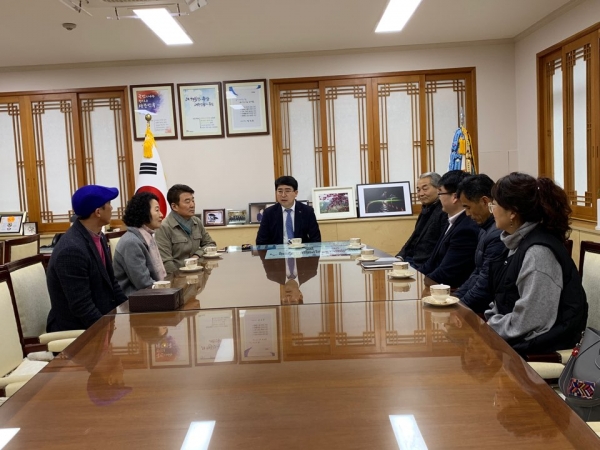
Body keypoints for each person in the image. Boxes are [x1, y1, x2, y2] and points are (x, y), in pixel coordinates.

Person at [485, 172, 587, 355]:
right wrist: (491, 320)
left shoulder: (537, 253)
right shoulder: (515, 242)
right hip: (517, 336)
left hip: (541, 348)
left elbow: (530, 322)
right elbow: (503, 296)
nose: (492, 210)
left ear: (513, 213)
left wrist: (490, 326)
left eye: (495, 204)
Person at [47, 185, 127, 332]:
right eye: (109, 203)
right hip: (78, 333)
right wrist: (108, 330)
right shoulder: (71, 250)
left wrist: (130, 314)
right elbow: (82, 306)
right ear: (98, 212)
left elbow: (112, 284)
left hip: (103, 321)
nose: (112, 207)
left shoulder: (98, 236)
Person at [419, 170, 480, 288]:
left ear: (455, 197)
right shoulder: (452, 220)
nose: (439, 198)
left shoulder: (466, 229)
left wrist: (422, 283)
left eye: (440, 193)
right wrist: (414, 276)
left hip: (450, 291)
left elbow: (446, 272)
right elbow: (431, 262)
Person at [454, 174, 504, 313]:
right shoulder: (484, 228)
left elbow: (485, 286)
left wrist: (458, 308)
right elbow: (477, 272)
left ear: (485, 201)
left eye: (468, 207)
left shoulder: (498, 234)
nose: (467, 214)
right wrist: (455, 299)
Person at [113, 192, 167, 296]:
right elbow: (143, 283)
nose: (161, 214)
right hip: (134, 301)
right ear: (144, 212)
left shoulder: (147, 235)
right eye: (157, 210)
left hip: (151, 295)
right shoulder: (131, 242)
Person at [155, 184, 216, 274]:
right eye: (187, 201)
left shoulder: (196, 221)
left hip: (198, 276)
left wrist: (197, 255)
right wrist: (181, 279)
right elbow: (166, 263)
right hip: (177, 279)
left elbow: (210, 244)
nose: (192, 205)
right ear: (174, 206)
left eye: (193, 200)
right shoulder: (164, 227)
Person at [395, 172, 447, 268]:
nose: (421, 194)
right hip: (412, 260)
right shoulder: (426, 208)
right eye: (418, 190)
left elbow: (441, 249)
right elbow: (414, 238)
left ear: (438, 188)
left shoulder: (444, 211)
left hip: (424, 265)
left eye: (425, 189)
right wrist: (399, 257)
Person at [256, 176, 321, 245]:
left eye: (287, 191)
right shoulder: (269, 213)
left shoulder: (307, 211)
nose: (283, 195)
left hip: (301, 252)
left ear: (295, 193)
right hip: (277, 253)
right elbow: (261, 241)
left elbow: (316, 239)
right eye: (280, 191)